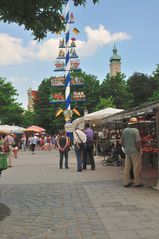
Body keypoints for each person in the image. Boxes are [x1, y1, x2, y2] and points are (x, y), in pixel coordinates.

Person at [120, 117, 143, 187]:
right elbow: (138, 142)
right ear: (135, 124)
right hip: (135, 151)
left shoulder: (125, 130)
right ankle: (137, 182)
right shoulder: (135, 131)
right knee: (136, 167)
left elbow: (121, 142)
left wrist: (126, 147)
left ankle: (126, 182)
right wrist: (139, 150)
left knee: (127, 167)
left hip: (127, 152)